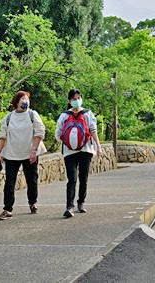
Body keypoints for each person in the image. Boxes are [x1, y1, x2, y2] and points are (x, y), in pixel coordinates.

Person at [0, 90, 46, 220]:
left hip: (30, 153)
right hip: (12, 154)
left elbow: (40, 132)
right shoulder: (8, 118)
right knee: (9, 183)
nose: (25, 101)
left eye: (27, 99)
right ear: (16, 101)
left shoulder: (32, 115)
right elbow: (2, 136)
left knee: (32, 180)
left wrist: (34, 150)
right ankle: (7, 209)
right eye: (23, 99)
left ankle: (32, 202)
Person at [56, 89, 99, 217]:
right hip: (77, 151)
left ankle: (80, 203)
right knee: (72, 178)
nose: (77, 101)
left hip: (82, 151)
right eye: (74, 99)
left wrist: (98, 146)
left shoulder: (87, 113)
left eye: (78, 98)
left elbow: (93, 130)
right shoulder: (65, 115)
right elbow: (58, 132)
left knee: (83, 178)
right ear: (69, 101)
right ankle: (70, 206)